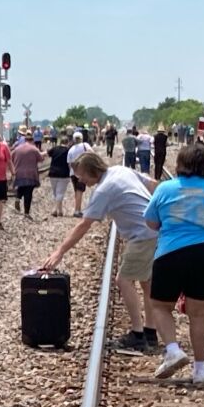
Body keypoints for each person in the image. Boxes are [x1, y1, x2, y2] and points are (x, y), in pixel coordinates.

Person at [40, 151, 160, 353]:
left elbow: (84, 225)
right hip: (155, 230)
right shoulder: (120, 171)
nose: (80, 180)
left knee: (123, 281)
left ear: (92, 171)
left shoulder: (103, 190)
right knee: (146, 283)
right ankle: (150, 331)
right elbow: (154, 185)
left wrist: (59, 252)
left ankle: (138, 335)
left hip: (142, 235)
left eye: (82, 175)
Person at [144, 145, 204, 384]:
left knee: (161, 306)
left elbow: (151, 222)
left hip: (170, 253)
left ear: (181, 164)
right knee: (199, 313)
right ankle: (200, 370)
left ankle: (173, 351)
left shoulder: (165, 188)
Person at [11, 131, 43, 218]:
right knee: (28, 192)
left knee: (21, 187)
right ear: (32, 140)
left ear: (25, 140)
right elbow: (41, 159)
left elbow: (11, 157)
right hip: (31, 173)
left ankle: (18, 198)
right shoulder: (34, 149)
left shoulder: (17, 148)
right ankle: (26, 212)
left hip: (19, 172)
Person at [45, 133, 72, 216]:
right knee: (60, 193)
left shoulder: (55, 149)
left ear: (60, 142)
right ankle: (55, 209)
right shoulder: (68, 150)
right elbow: (70, 163)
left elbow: (47, 154)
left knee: (55, 193)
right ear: (67, 142)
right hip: (64, 174)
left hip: (53, 173)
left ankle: (60, 211)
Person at [65, 131, 90, 217]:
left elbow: (69, 163)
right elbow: (92, 154)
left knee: (77, 191)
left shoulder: (71, 149)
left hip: (72, 173)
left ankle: (78, 209)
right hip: (82, 172)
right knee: (79, 191)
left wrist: (73, 172)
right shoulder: (85, 145)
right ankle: (77, 210)